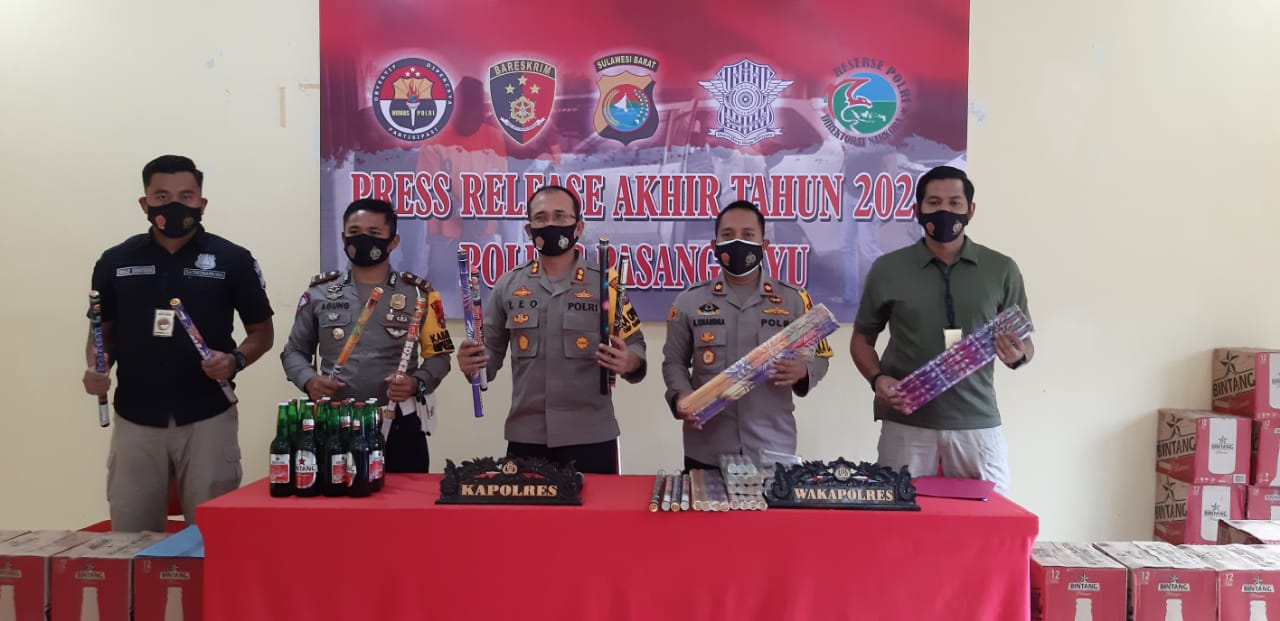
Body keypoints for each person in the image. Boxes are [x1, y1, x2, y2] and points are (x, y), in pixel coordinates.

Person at [82, 154, 275, 532]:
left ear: (202, 203)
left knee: (210, 538)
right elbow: (101, 332)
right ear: (145, 203)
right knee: (130, 538)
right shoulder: (115, 261)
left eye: (186, 196)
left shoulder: (232, 259)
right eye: (162, 196)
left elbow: (262, 333)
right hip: (135, 417)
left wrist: (234, 360)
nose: (174, 205)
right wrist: (94, 366)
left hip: (208, 415)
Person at [850, 165, 1033, 494]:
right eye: (933, 203)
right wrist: (877, 379)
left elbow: (1025, 344)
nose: (945, 211)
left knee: (991, 517)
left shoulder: (1001, 269)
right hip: (906, 423)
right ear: (917, 210)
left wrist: (1018, 355)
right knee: (899, 517)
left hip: (977, 423)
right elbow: (862, 339)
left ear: (970, 210)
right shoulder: (888, 269)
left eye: (954, 203)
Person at [456, 185, 645, 474]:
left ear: (578, 227)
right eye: (541, 218)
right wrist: (473, 364)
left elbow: (636, 346)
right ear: (529, 230)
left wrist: (628, 360)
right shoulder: (508, 286)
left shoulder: (606, 285)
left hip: (592, 437)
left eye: (560, 216)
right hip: (526, 438)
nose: (551, 224)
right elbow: (489, 355)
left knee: (597, 507)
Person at [281, 198, 453, 472]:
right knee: (335, 499)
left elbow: (440, 356)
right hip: (335, 423)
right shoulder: (319, 293)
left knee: (404, 500)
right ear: (343, 237)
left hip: (399, 424)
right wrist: (309, 380)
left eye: (373, 233)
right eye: (355, 232)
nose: (363, 239)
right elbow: (293, 352)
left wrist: (416, 383)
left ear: (393, 241)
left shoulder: (420, 294)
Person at [663, 200, 833, 470]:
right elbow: (674, 362)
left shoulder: (794, 300)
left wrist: (804, 371)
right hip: (707, 448)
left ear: (764, 245)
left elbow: (821, 357)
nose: (738, 242)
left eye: (748, 235)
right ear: (714, 246)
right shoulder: (689, 302)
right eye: (728, 235)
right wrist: (681, 395)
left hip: (773, 447)